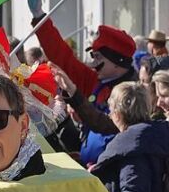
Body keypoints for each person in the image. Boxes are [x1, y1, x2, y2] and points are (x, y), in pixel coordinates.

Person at [31, 13, 137, 164]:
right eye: (92, 56)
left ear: (116, 61)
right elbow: (62, 55)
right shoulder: (97, 81)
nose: (93, 63)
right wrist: (39, 17)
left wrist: (74, 95)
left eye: (98, 57)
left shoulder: (133, 94)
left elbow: (106, 124)